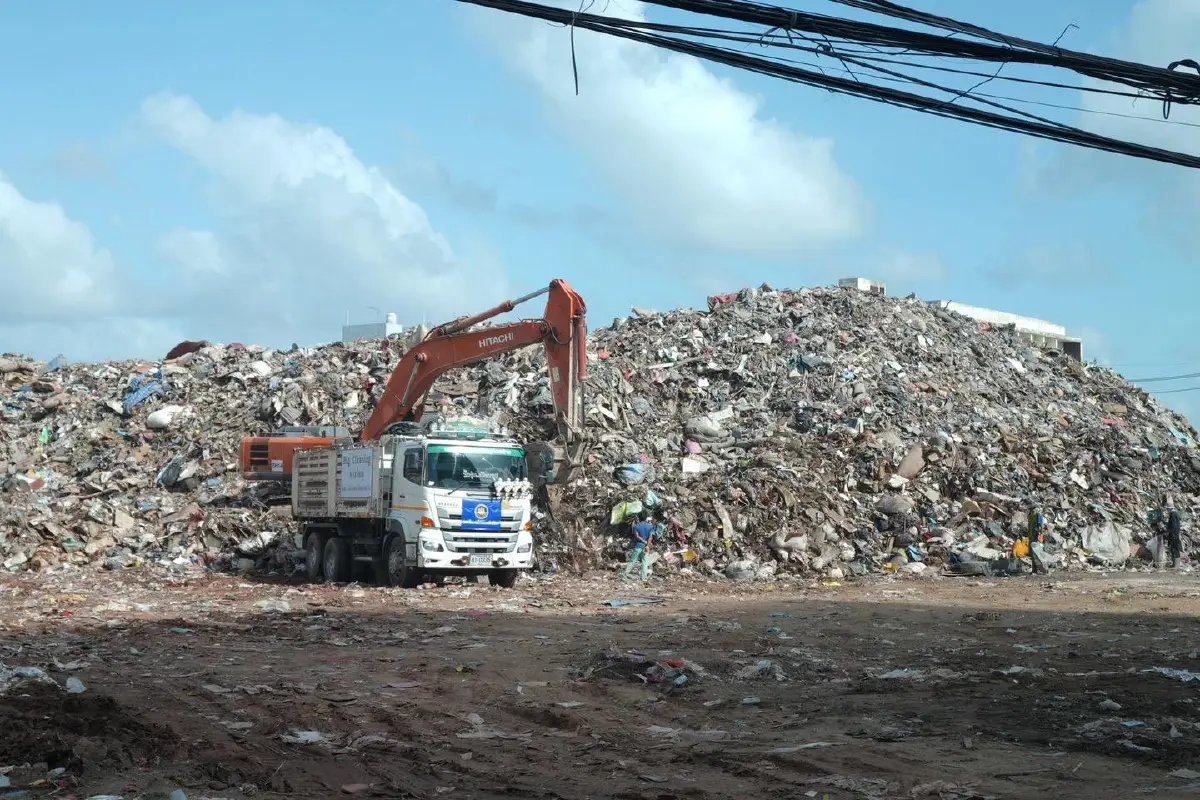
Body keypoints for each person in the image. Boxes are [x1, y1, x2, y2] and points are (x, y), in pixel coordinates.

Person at [622, 511, 656, 581]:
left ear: (639, 518)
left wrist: (642, 541)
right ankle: (644, 578)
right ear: (646, 518)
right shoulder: (650, 526)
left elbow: (637, 536)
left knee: (632, 561)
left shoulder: (636, 526)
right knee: (645, 562)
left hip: (638, 546)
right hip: (645, 547)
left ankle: (625, 575)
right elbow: (650, 537)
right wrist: (647, 545)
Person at [1166, 498, 1183, 569]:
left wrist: (1169, 531)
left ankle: (1176, 565)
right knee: (1175, 548)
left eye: (1167, 509)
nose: (1167, 510)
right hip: (1176, 534)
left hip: (1174, 534)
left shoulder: (1172, 514)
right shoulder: (1176, 513)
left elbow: (1173, 525)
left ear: (1169, 508)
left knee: (1174, 548)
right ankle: (1174, 564)